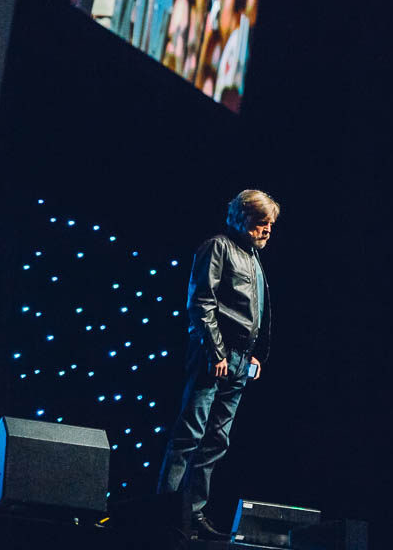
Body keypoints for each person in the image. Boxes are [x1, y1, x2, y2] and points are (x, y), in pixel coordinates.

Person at [155, 188, 276, 541]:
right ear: (240, 218)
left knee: (216, 441)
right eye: (261, 221)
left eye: (270, 223)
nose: (267, 229)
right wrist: (216, 352)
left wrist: (258, 354)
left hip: (239, 362)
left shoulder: (254, 259)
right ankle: (166, 511)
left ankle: (193, 513)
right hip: (215, 357)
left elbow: (259, 313)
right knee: (190, 434)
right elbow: (201, 302)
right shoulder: (217, 247)